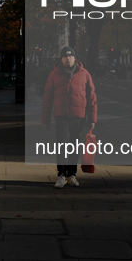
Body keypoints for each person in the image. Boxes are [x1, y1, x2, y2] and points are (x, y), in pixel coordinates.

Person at [41, 47, 97, 189]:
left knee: (74, 146)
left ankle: (72, 175)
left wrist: (92, 119)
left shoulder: (84, 74)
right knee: (62, 145)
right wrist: (45, 120)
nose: (68, 58)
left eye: (71, 56)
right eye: (65, 56)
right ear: (61, 58)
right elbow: (47, 99)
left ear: (75, 58)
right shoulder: (54, 75)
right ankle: (61, 175)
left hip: (78, 117)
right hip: (61, 116)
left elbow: (92, 98)